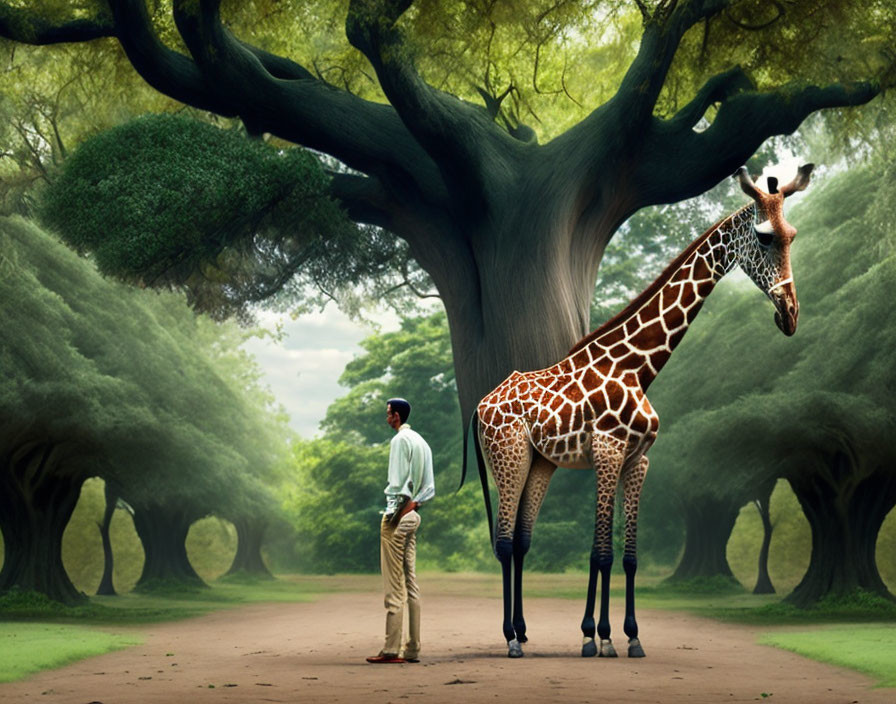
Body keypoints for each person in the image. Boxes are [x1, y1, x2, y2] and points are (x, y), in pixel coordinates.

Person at [366, 398, 435, 664]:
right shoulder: (422, 442)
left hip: (398, 515)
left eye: (388, 414)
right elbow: (428, 488)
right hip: (414, 514)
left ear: (396, 416)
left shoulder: (399, 441)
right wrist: (413, 506)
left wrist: (394, 515)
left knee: (393, 585)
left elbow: (397, 486)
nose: (386, 419)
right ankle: (413, 648)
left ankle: (392, 649)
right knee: (410, 582)